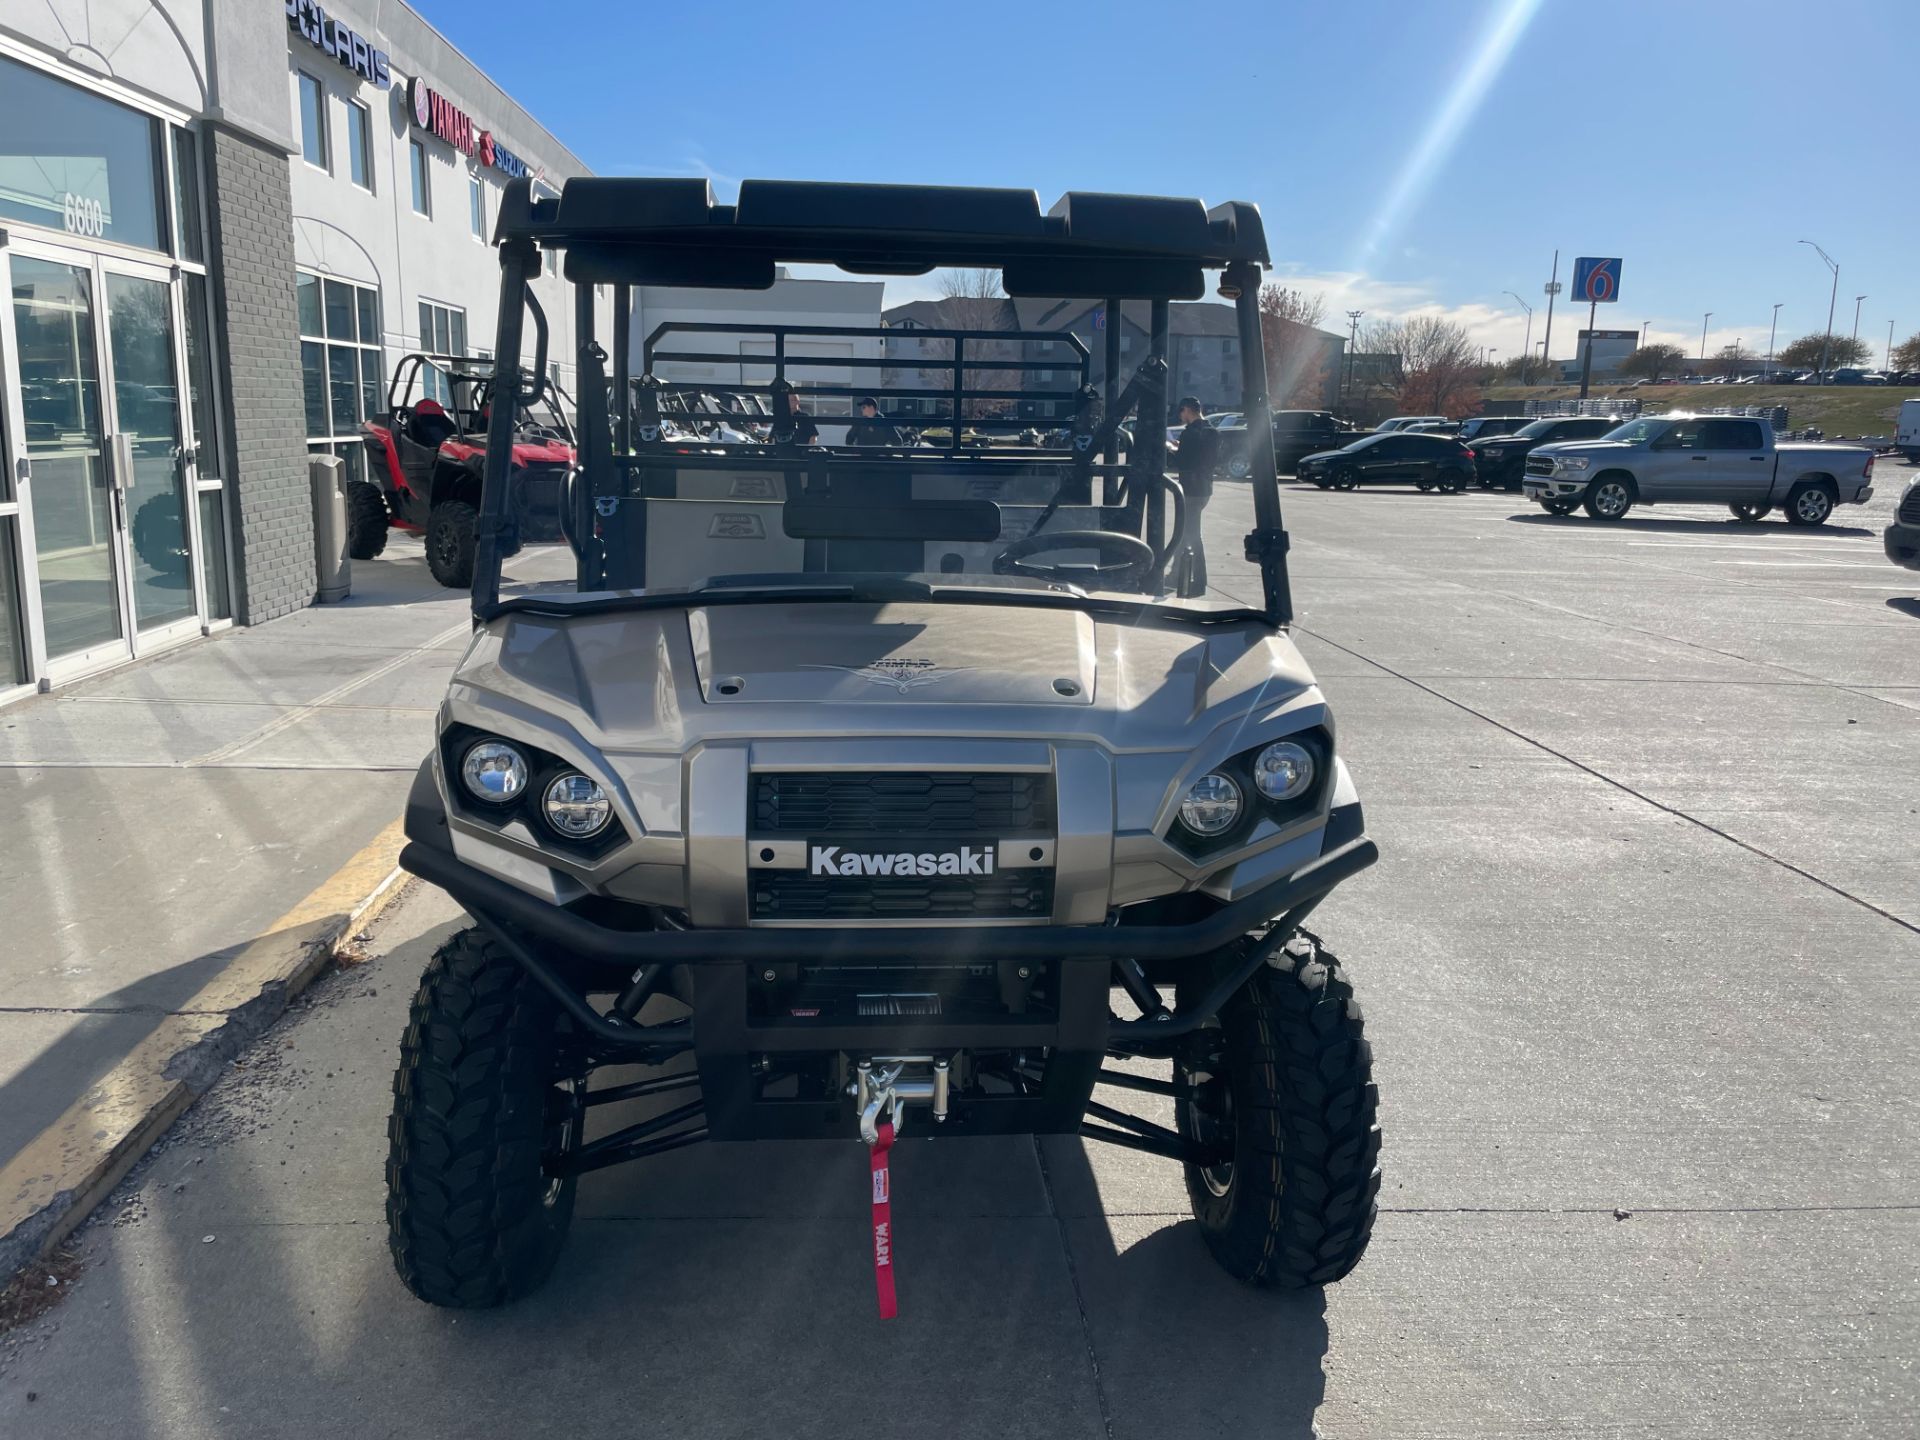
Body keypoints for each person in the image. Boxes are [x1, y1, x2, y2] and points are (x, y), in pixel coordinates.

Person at [1170, 396, 1219, 593]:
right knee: (1184, 533)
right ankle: (1175, 575)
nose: (1180, 416)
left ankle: (1199, 581)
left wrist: (1173, 449)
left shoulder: (1189, 433)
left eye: (1180, 412)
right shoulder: (1213, 432)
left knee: (1192, 535)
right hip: (1205, 489)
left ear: (1187, 410)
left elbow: (1183, 462)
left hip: (1190, 489)